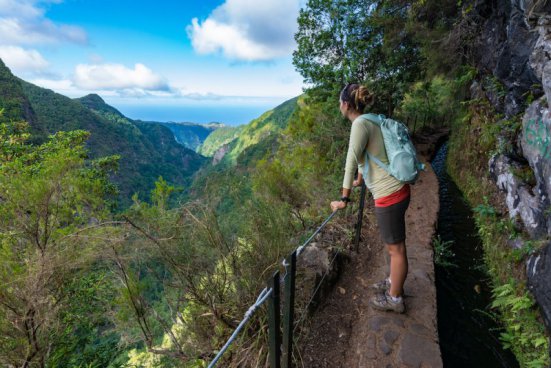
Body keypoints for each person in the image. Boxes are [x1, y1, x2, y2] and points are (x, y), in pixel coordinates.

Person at [330, 83, 411, 313]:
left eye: (339, 102)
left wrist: (343, 199)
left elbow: (350, 159)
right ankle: (393, 282)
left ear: (346, 104)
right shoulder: (372, 119)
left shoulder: (358, 124)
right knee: (395, 247)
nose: (339, 106)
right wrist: (360, 179)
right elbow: (369, 153)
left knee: (397, 250)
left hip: (389, 195)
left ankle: (395, 298)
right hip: (398, 190)